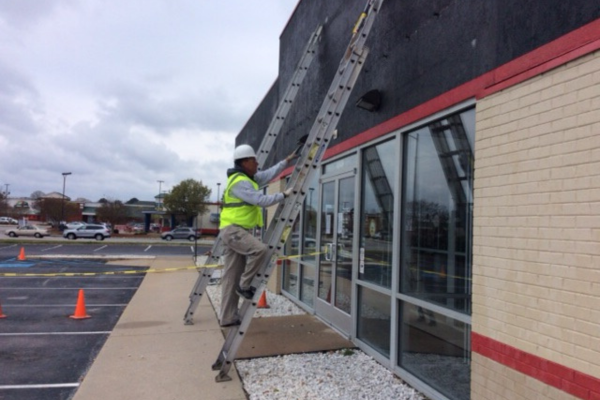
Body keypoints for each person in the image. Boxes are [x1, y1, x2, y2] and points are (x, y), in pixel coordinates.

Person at [218, 144, 295, 327]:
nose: (257, 163)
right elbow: (260, 201)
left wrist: (286, 162)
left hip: (235, 231)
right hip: (233, 230)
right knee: (259, 250)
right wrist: (283, 195)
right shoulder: (240, 182)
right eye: (254, 160)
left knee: (231, 277)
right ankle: (245, 286)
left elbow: (267, 174)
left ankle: (228, 317)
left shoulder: (248, 178)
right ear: (245, 162)